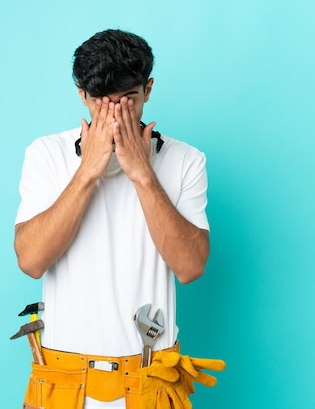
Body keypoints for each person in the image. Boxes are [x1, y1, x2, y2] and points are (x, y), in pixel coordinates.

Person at [14, 29, 223, 409]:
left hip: (149, 379)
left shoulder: (186, 161)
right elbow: (30, 261)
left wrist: (143, 173)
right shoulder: (46, 154)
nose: (115, 115)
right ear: (82, 94)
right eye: (102, 102)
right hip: (64, 380)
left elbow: (191, 268)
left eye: (128, 100)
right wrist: (88, 171)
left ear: (148, 90)